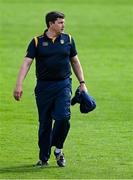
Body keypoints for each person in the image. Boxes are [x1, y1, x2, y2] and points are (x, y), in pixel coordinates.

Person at [13, 11, 87, 167]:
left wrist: (82, 82)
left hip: (63, 85)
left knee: (63, 118)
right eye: (60, 22)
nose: (63, 25)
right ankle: (43, 158)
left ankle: (58, 150)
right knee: (45, 124)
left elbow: (75, 61)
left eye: (63, 22)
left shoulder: (68, 39)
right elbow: (26, 63)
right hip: (44, 87)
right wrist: (19, 84)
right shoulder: (36, 42)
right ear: (50, 24)